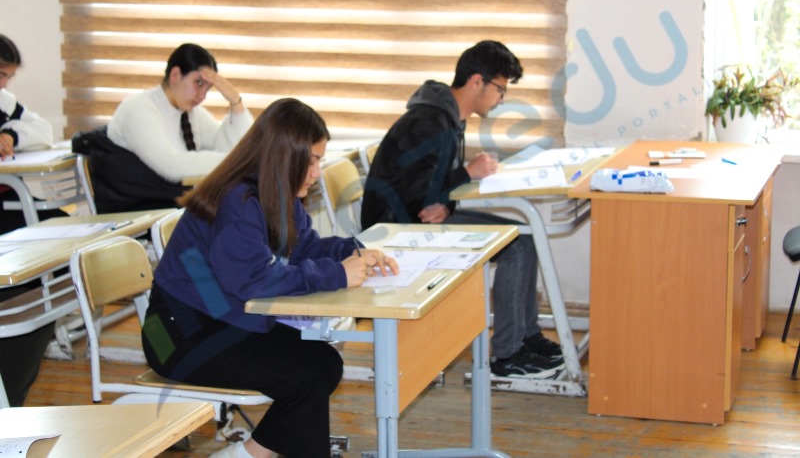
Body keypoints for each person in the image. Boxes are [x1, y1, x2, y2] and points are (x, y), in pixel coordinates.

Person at [141, 98, 398, 458]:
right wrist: (336, 274)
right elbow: (251, 281)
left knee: (325, 363)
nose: (316, 172)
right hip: (177, 335)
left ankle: (246, 454)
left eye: (319, 161)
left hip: (220, 319)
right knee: (306, 378)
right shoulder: (238, 200)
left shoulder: (275, 191)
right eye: (311, 161)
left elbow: (304, 247)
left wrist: (352, 252)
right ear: (284, 156)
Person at [361, 40, 563, 379]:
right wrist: (467, 173)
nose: (501, 99)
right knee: (517, 247)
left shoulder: (449, 118)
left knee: (523, 240)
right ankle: (508, 354)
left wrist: (447, 201)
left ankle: (526, 337)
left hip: (417, 218)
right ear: (476, 81)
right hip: (399, 228)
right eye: (500, 89)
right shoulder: (429, 122)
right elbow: (416, 197)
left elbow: (432, 186)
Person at [74, 43, 255, 212]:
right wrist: (237, 162)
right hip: (136, 212)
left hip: (167, 209)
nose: (202, 96)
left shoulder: (191, 112)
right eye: (199, 83)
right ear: (175, 75)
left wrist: (235, 103)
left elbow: (227, 149)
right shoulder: (138, 108)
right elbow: (172, 166)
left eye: (208, 89)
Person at [0, 34, 65, 407]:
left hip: (10, 202)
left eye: (9, 77)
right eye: (1, 74)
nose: (5, 84)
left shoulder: (5, 102)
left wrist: (10, 133)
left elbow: (43, 130)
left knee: (58, 240)